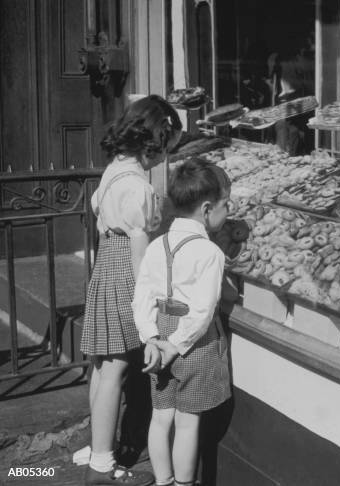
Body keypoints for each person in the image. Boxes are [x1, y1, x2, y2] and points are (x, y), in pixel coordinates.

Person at [81, 95, 182, 486]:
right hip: (127, 271)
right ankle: (101, 466)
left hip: (107, 264)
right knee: (118, 369)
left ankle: (97, 449)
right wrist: (149, 299)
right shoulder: (138, 187)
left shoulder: (113, 171)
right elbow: (141, 255)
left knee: (103, 366)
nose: (162, 160)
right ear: (152, 141)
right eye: (163, 150)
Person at [132, 159, 232, 486]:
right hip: (194, 344)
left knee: (160, 418)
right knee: (188, 422)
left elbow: (141, 297)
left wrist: (152, 339)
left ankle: (163, 481)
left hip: (159, 335)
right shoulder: (210, 253)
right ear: (206, 208)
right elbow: (203, 311)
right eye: (225, 206)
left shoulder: (157, 245)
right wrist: (176, 345)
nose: (227, 213)